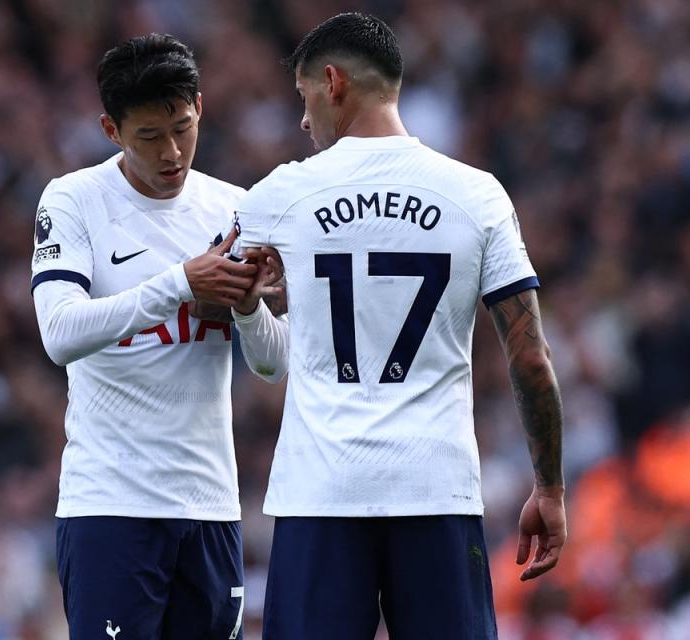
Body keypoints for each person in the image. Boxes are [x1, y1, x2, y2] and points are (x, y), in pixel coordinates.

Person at [231, 13, 566, 639]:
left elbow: (268, 360)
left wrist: (249, 308)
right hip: (436, 490)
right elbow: (530, 358)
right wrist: (549, 487)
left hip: (319, 495)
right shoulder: (478, 195)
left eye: (304, 98)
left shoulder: (277, 197)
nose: (303, 121)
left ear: (331, 83)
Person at [30, 34, 286, 640]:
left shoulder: (235, 208)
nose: (172, 152)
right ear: (111, 129)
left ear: (200, 106)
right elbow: (59, 332)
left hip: (211, 507)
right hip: (112, 506)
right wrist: (178, 282)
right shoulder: (73, 200)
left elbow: (273, 364)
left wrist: (249, 308)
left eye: (183, 127)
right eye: (149, 136)